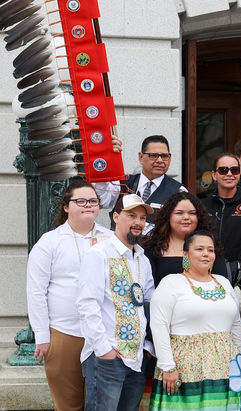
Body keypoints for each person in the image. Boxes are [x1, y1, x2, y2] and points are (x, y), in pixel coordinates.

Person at [27, 180, 113, 411]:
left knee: (102, 404)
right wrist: (42, 336)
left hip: (103, 334)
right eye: (80, 201)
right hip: (65, 333)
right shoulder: (50, 242)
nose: (88, 206)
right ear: (66, 206)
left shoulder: (110, 240)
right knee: (68, 405)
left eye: (93, 201)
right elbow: (36, 291)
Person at [148, 230, 241, 409]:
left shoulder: (224, 283)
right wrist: (167, 366)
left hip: (228, 367)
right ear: (186, 254)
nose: (206, 254)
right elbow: (159, 325)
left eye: (210, 250)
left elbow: (235, 326)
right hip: (185, 369)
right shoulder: (171, 283)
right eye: (200, 249)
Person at [76, 194, 154, 411]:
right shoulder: (99, 254)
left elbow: (148, 303)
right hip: (108, 356)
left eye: (142, 217)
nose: (138, 222)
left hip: (137, 359)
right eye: (132, 216)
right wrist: (104, 350)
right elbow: (87, 305)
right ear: (116, 217)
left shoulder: (142, 259)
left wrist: (147, 346)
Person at [201, 152, 241, 288]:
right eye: (223, 170)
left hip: (240, 281)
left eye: (234, 170)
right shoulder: (202, 205)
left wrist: (236, 270)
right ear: (214, 175)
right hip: (204, 276)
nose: (229, 174)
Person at [144, 191, 224, 287]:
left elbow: (221, 283)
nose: (186, 217)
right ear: (168, 216)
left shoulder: (211, 247)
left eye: (192, 213)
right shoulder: (151, 249)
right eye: (179, 213)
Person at [95, 135, 187, 219]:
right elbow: (103, 200)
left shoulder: (178, 191)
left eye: (164, 156)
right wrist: (104, 157)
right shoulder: (123, 184)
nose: (160, 160)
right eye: (153, 155)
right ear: (141, 157)